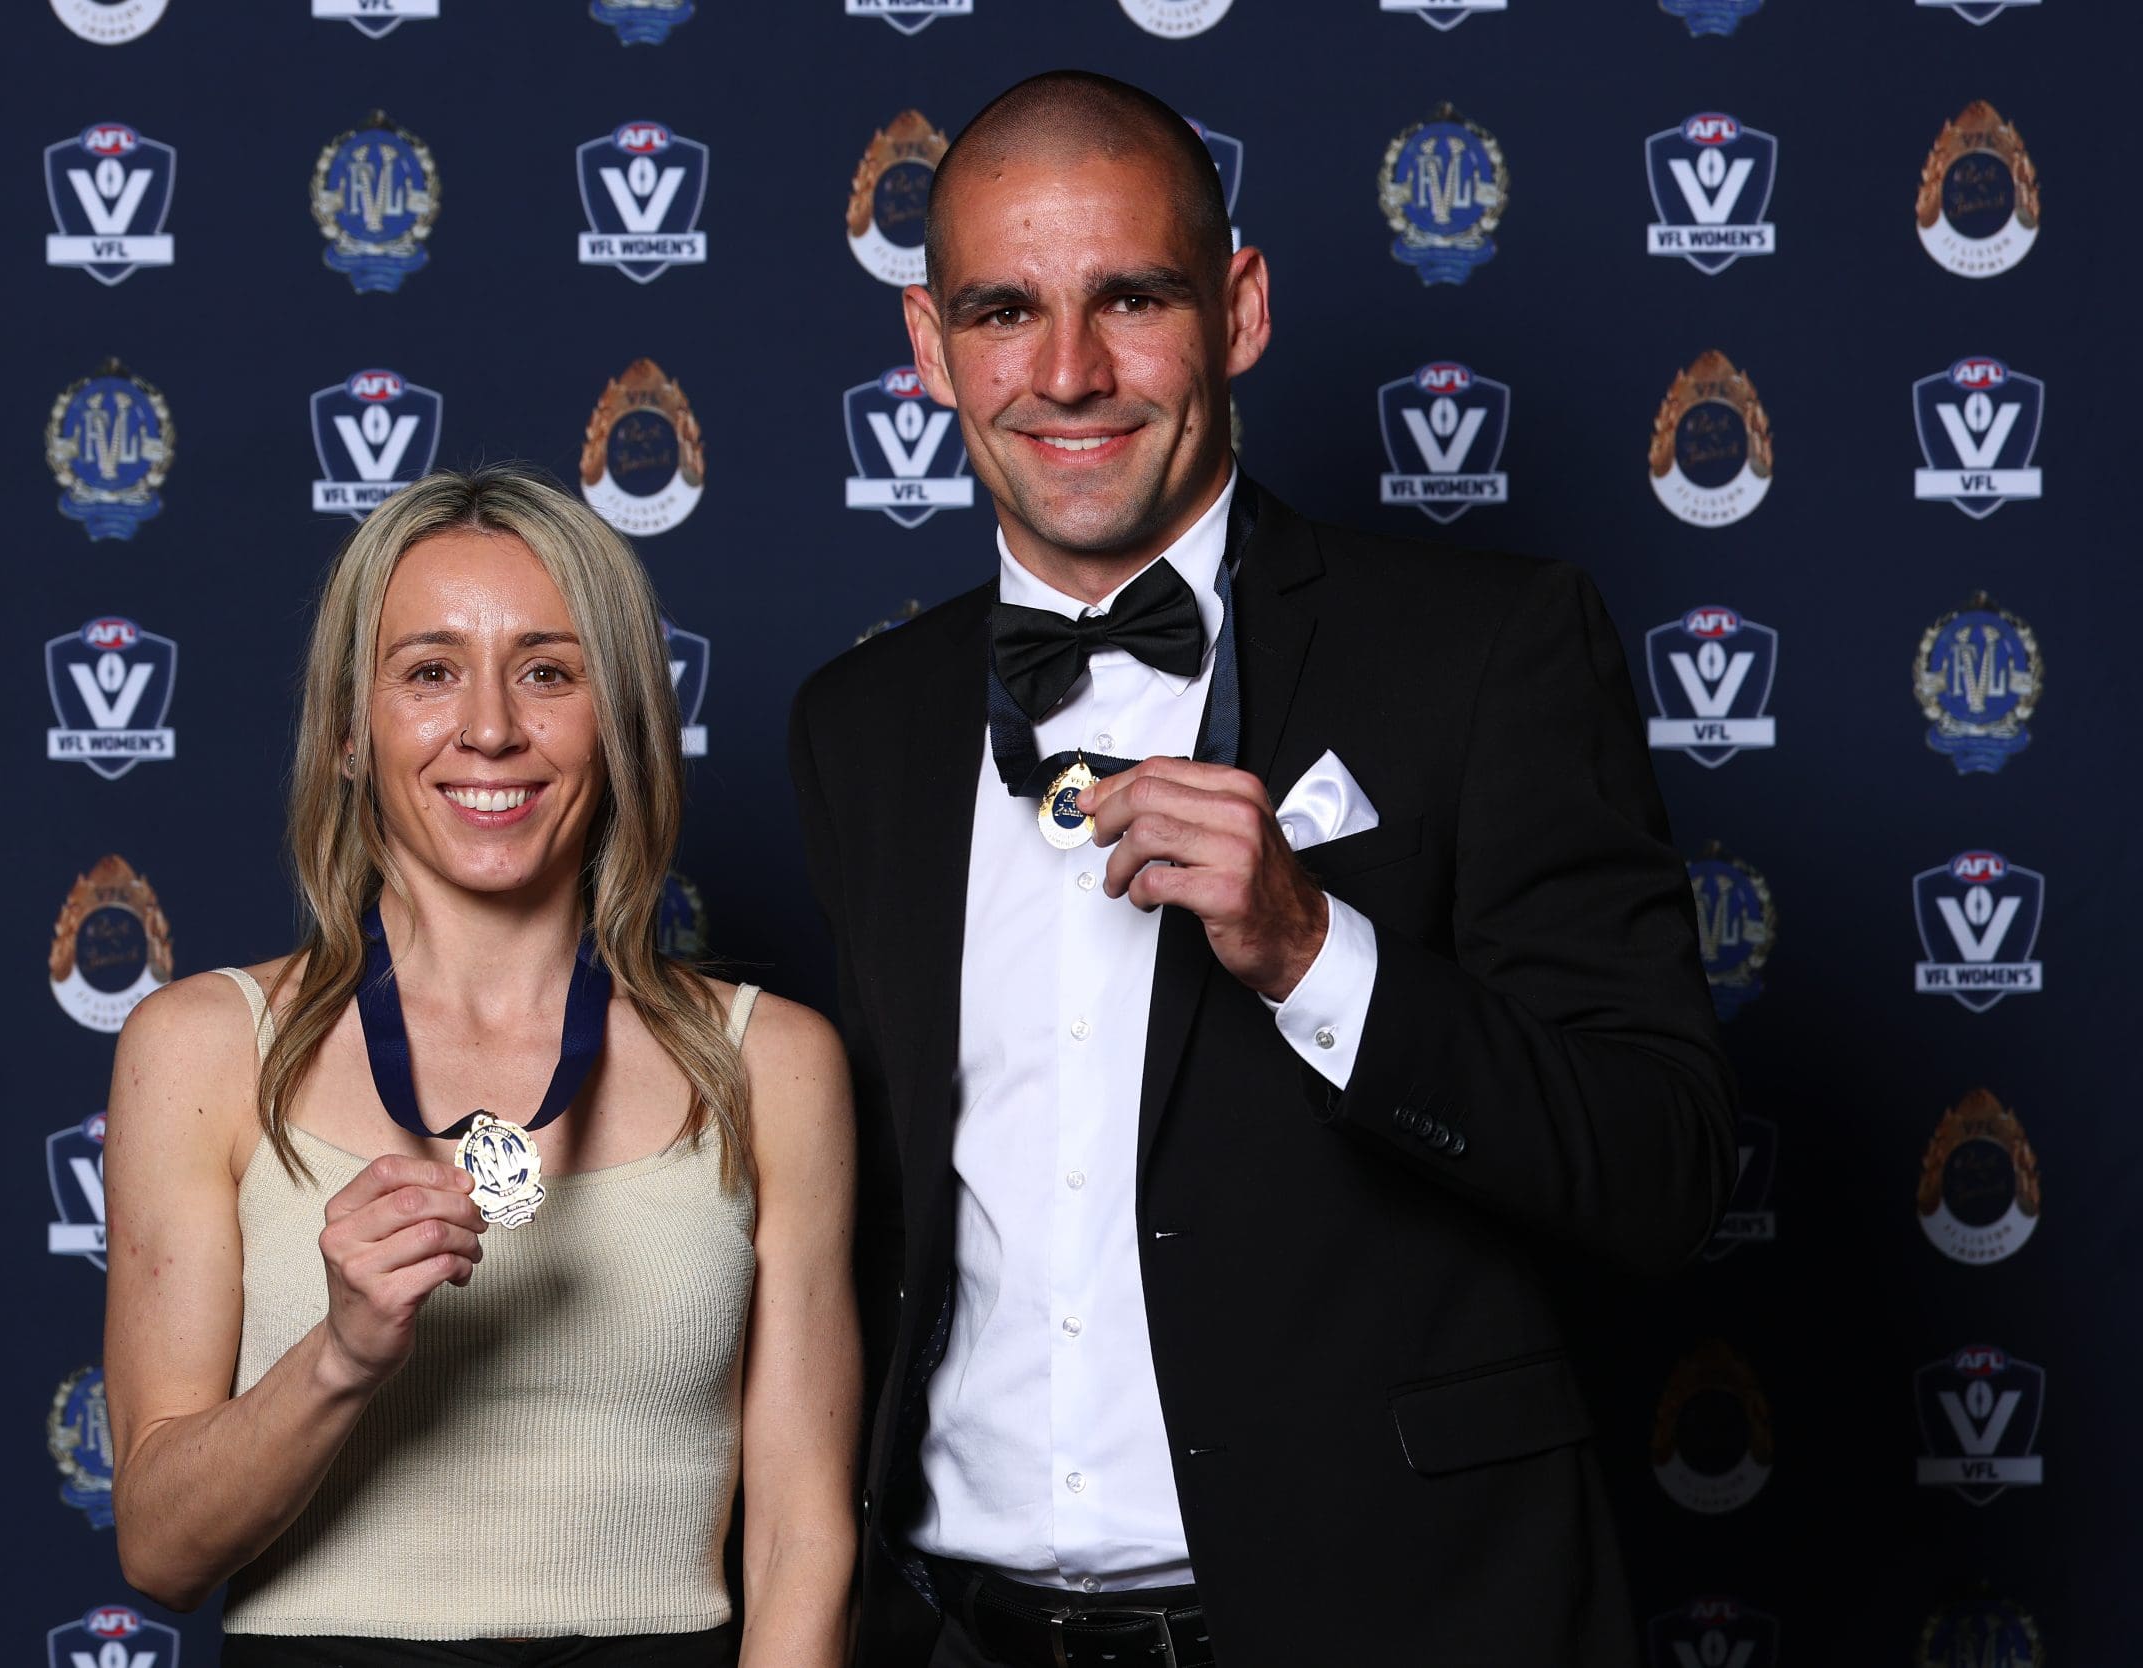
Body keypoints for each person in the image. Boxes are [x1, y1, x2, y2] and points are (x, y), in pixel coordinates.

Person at [787, 72, 1736, 1667]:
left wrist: (1315, 954)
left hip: (1391, 1626)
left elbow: (1664, 1172)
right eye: (1005, 310)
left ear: (1237, 310)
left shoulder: (1488, 652)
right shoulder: (861, 726)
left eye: (1133, 299)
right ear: (929, 349)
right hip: (955, 1634)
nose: (1070, 373)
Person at [103, 465, 860, 1668]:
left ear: (617, 722)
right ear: (350, 731)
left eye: (549, 672)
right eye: (430, 672)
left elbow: (800, 1542)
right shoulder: (199, 1048)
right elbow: (160, 1549)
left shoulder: (769, 1060)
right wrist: (341, 1354)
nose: (493, 727)